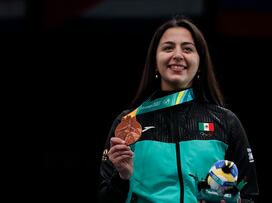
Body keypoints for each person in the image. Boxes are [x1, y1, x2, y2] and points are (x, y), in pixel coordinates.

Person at [98, 16, 259, 203]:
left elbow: (249, 195)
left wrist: (234, 200)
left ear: (200, 64)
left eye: (187, 49)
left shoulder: (225, 121)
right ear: (155, 62)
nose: (177, 55)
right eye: (168, 48)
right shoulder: (128, 123)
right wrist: (122, 177)